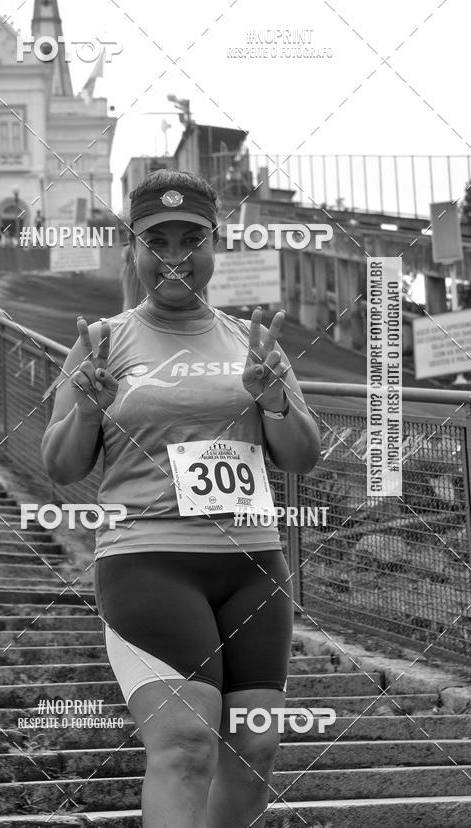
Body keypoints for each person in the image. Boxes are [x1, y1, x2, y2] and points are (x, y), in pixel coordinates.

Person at [42, 170, 321, 828]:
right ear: (132, 250)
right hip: (148, 562)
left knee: (254, 748)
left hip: (253, 567)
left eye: (190, 238)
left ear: (214, 245)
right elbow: (60, 466)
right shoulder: (102, 342)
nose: (174, 255)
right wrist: (85, 411)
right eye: (156, 240)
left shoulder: (252, 342)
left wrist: (275, 400)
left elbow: (302, 455)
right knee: (188, 744)